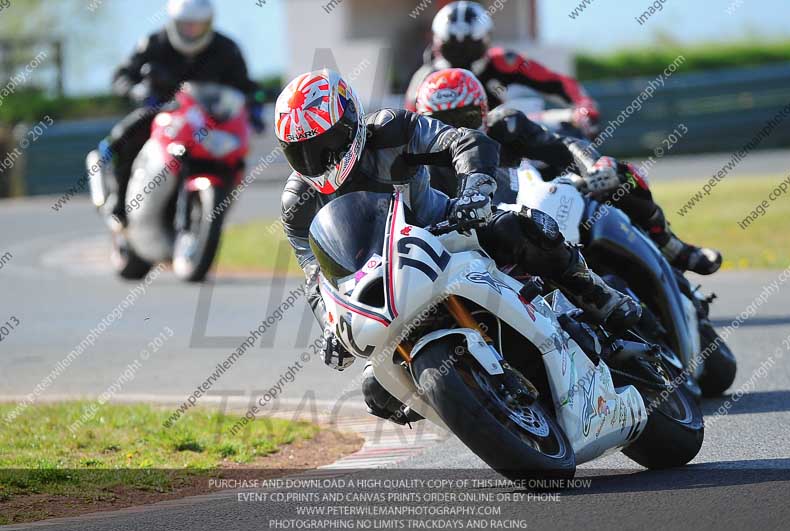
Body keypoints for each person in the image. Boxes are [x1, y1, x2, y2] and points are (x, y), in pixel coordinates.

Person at [276, 69, 641, 422]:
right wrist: (329, 325)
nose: (317, 161)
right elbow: (316, 276)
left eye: (325, 144)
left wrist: (474, 189)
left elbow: (463, 141)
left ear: (351, 122)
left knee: (518, 227)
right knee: (377, 391)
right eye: (301, 152)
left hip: (443, 229)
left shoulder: (390, 128)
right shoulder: (297, 203)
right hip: (384, 281)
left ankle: (594, 293)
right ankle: (468, 405)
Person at [414, 68, 722, 275]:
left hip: (540, 216)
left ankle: (672, 247)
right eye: (441, 122)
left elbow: (563, 146)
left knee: (617, 174)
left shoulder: (504, 125)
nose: (456, 130)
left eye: (464, 117)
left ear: (482, 111)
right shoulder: (414, 160)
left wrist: (593, 165)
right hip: (475, 254)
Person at [100, 0, 265, 225]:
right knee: (125, 137)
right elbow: (122, 75)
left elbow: (245, 87)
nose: (192, 31)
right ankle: (118, 202)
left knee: (234, 155)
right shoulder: (153, 43)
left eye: (198, 25)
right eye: (187, 25)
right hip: (162, 113)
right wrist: (136, 89)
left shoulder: (227, 48)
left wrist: (254, 108)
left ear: (208, 24)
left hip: (207, 122)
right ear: (174, 22)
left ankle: (216, 209)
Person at [404, 1, 598, 138]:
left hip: (511, 144)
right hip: (447, 158)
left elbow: (558, 82)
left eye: (469, 46)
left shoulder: (504, 61)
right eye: (454, 46)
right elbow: (410, 128)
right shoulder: (424, 79)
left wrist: (584, 107)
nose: (462, 53)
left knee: (570, 133)